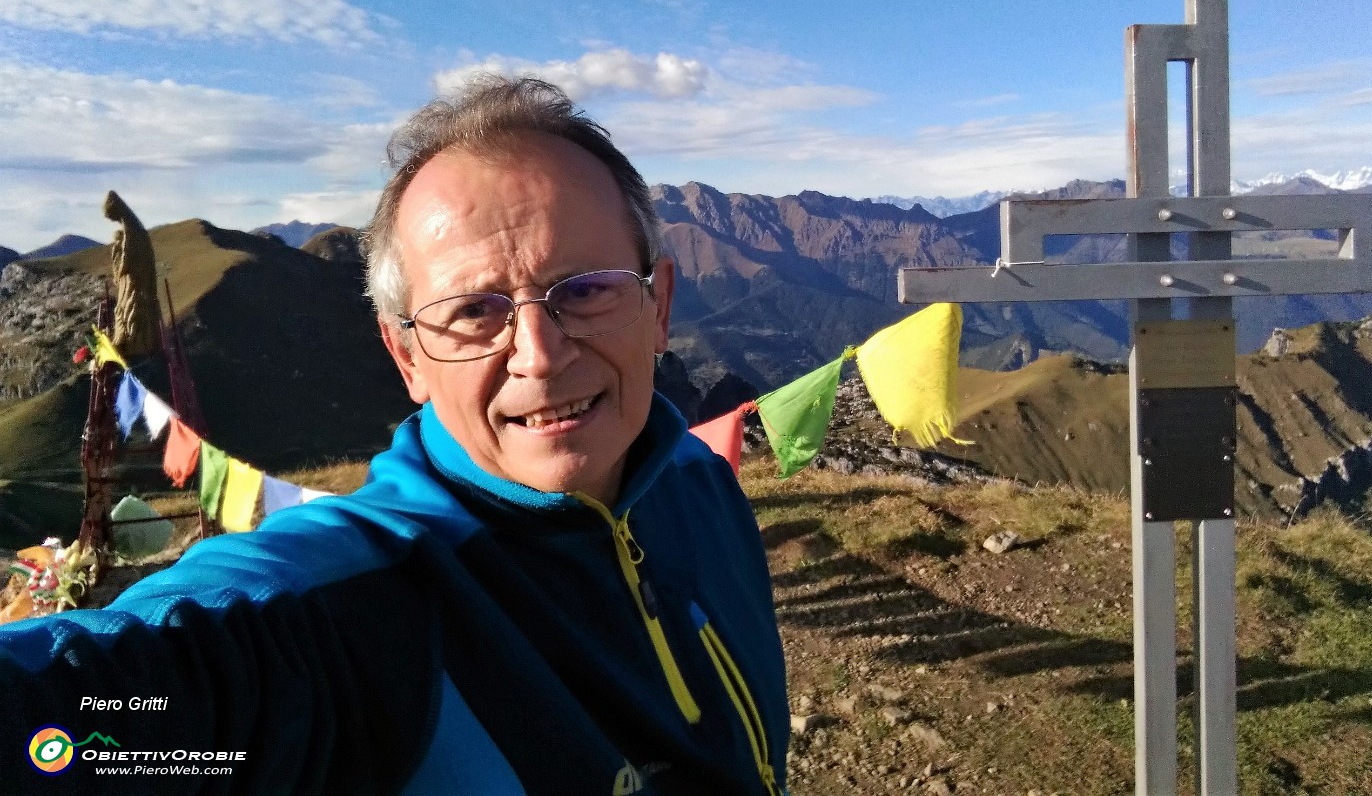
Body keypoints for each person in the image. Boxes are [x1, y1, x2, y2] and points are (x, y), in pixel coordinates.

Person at [0, 76, 789, 795]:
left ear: (658, 306)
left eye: (584, 291)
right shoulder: (347, 607)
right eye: (473, 312)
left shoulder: (697, 474)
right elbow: (94, 705)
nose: (540, 354)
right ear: (407, 355)